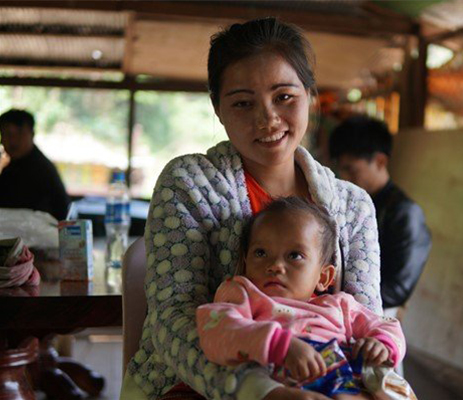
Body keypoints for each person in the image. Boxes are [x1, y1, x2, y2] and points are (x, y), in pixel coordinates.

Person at [121, 18, 384, 400]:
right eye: (243, 103)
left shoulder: (353, 206)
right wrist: (259, 390)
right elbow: (172, 320)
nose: (267, 119)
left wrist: (376, 384)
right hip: (197, 384)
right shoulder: (188, 183)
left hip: (327, 383)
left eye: (284, 97)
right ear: (217, 108)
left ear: (310, 95)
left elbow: (368, 323)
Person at [197, 197, 412, 400]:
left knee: (389, 385)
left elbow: (386, 324)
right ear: (245, 261)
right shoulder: (242, 292)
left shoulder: (340, 305)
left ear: (323, 277)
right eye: (261, 252)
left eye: (294, 256)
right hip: (280, 380)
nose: (274, 266)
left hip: (344, 375)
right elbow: (217, 329)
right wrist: (279, 345)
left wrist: (381, 344)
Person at [329, 116, 431, 315]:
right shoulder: (346, 204)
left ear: (380, 161)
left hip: (377, 312)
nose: (343, 178)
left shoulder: (404, 213)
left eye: (351, 169)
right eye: (340, 170)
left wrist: (342, 297)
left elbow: (399, 289)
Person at [0, 109, 70, 221]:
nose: (12, 140)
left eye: (19, 133)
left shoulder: (41, 169)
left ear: (32, 134)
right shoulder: (12, 167)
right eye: (7, 134)